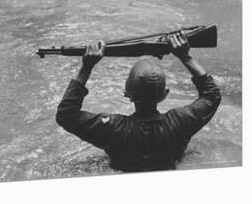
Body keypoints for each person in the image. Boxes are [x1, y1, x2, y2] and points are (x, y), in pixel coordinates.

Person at [56, 31, 221, 172]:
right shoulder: (181, 122)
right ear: (165, 95)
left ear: (127, 94)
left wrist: (86, 67)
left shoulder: (113, 128)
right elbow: (211, 95)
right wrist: (186, 56)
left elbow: (66, 115)